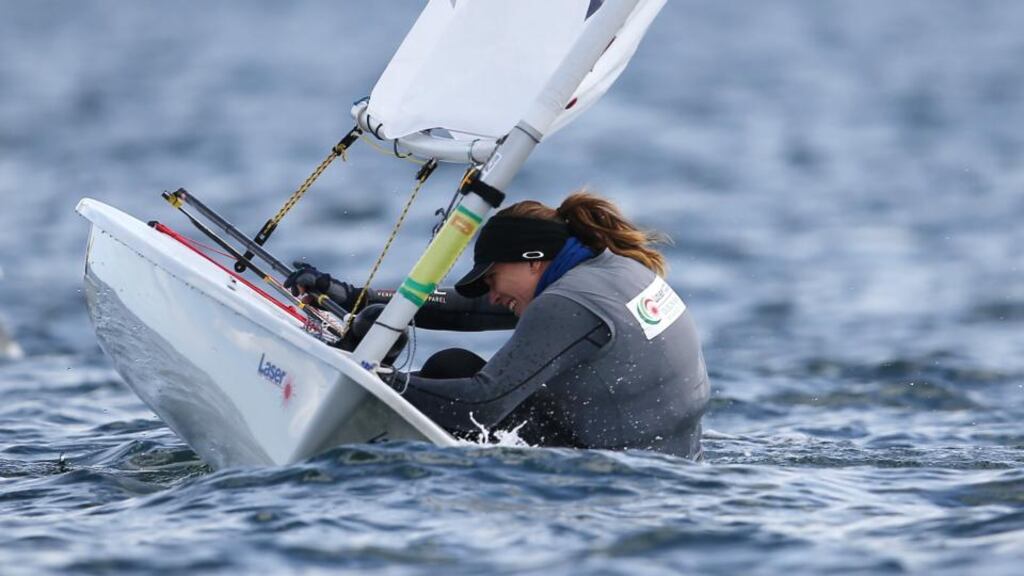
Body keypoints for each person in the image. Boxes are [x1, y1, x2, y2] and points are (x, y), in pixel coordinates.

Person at [287, 192, 709, 460]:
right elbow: (465, 309)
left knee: (451, 370)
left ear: (532, 261)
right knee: (451, 369)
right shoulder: (609, 271)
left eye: (490, 279)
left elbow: (481, 406)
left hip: (616, 483)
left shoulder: (570, 302)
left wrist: (370, 381)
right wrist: (351, 294)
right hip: (668, 472)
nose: (491, 295)